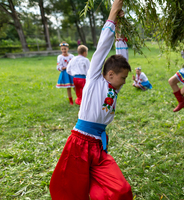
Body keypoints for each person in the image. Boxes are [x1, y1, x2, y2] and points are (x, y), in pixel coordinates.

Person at [49, 0, 133, 199]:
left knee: (121, 191)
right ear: (110, 74)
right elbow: (103, 46)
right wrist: (113, 13)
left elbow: (124, 58)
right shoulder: (95, 79)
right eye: (123, 77)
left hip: (98, 146)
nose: (125, 82)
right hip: (79, 144)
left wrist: (120, 30)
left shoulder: (115, 88)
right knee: (71, 192)